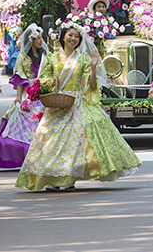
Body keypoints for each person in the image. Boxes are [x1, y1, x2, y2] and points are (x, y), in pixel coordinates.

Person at [15, 19, 141, 191]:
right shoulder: (52, 57)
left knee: (75, 139)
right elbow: (42, 80)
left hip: (75, 103)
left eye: (76, 36)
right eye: (70, 35)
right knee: (50, 140)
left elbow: (92, 85)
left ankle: (67, 179)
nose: (73, 38)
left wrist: (94, 67)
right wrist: (53, 83)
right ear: (63, 37)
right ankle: (51, 179)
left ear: (80, 40)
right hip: (56, 102)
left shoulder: (83, 59)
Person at [0, 24, 46, 168]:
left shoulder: (45, 56)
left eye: (41, 38)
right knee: (25, 121)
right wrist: (19, 97)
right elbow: (20, 77)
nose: (41, 41)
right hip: (29, 92)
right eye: (37, 38)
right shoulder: (23, 57)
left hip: (43, 91)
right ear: (31, 41)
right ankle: (27, 153)